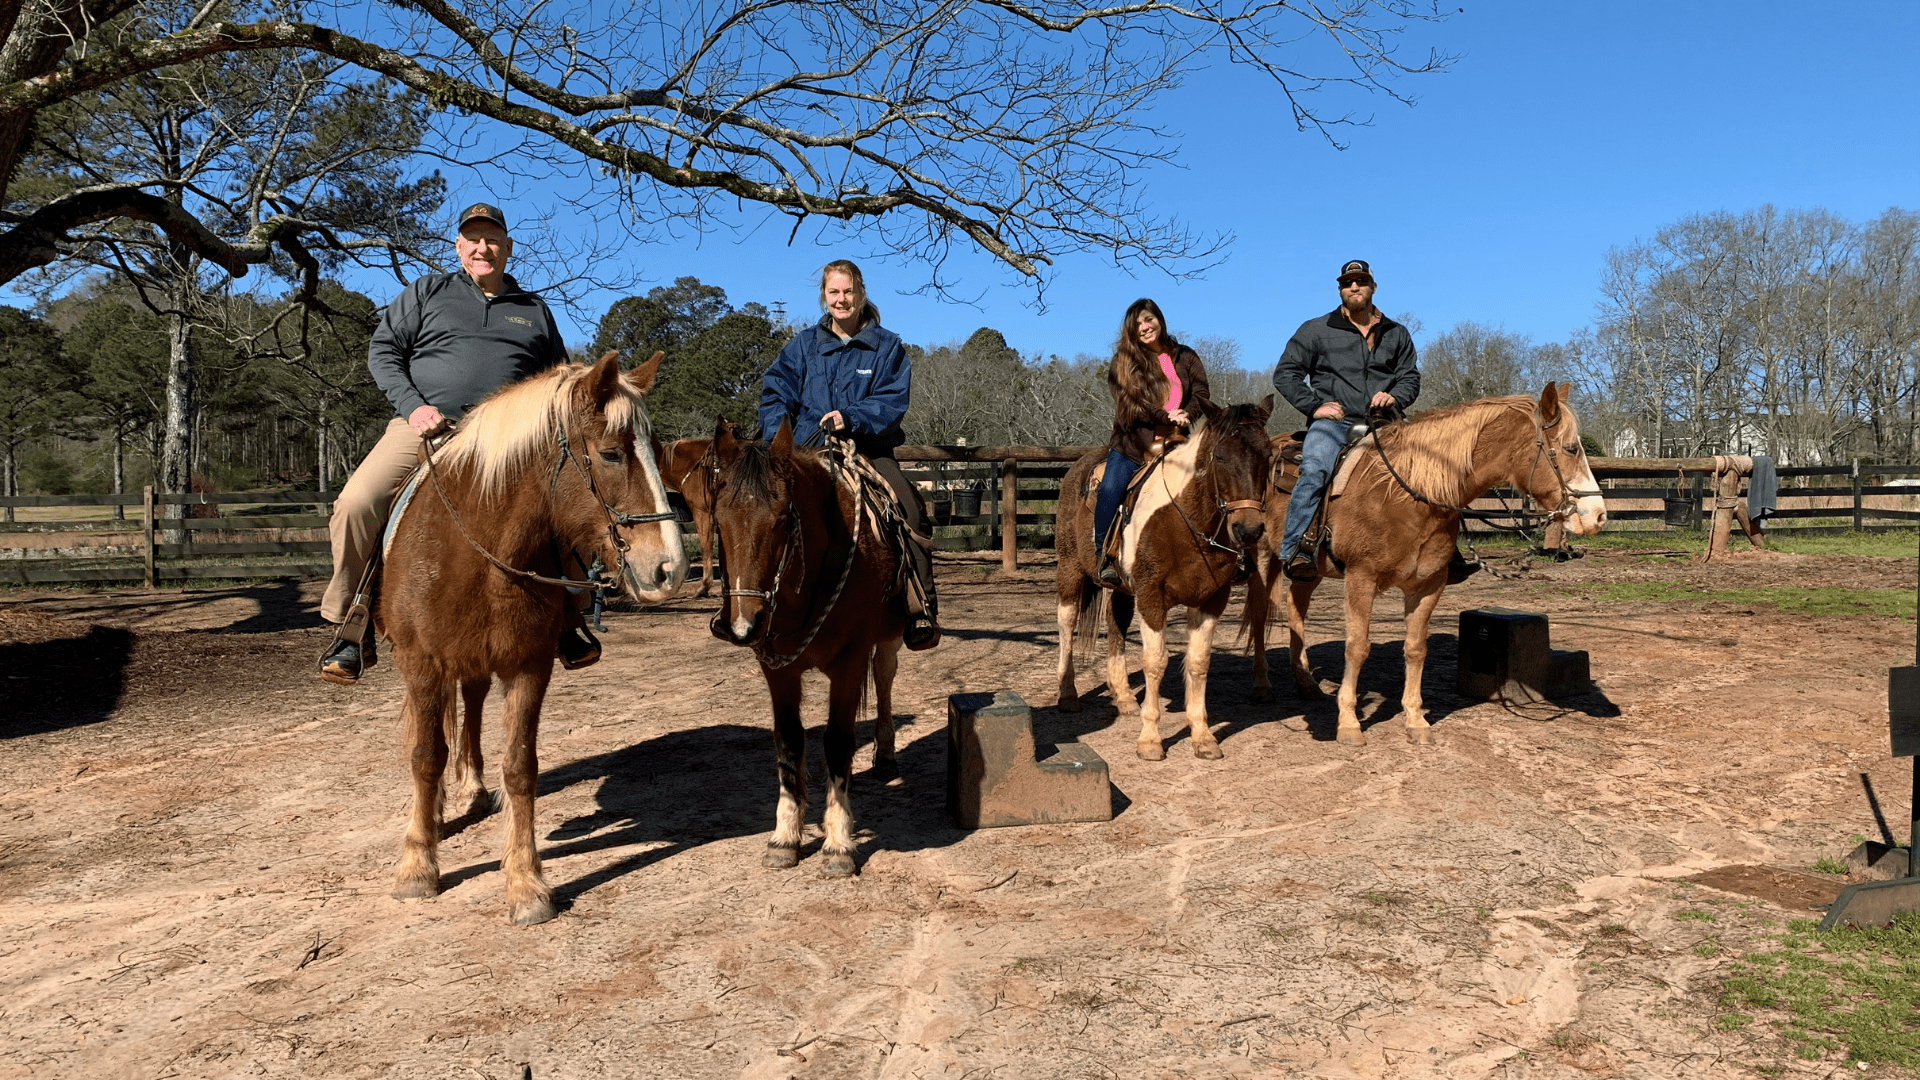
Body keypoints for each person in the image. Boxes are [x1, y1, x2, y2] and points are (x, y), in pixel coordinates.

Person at [319, 201, 583, 683]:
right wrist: (413, 407)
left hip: (507, 446)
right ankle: (350, 627)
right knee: (356, 504)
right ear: (459, 247)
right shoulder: (427, 292)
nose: (483, 248)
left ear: (508, 248)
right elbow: (383, 351)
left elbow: (557, 380)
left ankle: (567, 614)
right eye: (473, 239)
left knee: (568, 505)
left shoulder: (534, 310)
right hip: (425, 428)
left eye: (493, 239)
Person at [757, 259, 940, 650]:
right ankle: (755, 605)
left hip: (869, 449)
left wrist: (851, 417)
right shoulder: (802, 346)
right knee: (760, 509)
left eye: (848, 291)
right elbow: (775, 394)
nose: (841, 299)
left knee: (910, 511)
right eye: (833, 292)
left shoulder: (887, 347)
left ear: (861, 294)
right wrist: (781, 444)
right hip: (807, 451)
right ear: (824, 296)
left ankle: (919, 607)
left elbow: (892, 401)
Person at [1272, 258, 1473, 584]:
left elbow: (1409, 379)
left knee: (1436, 467)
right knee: (1316, 467)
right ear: (1340, 289)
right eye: (1348, 283)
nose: (1355, 287)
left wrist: (1395, 397)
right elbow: (1286, 374)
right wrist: (1315, 406)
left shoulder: (1396, 333)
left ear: (1372, 287)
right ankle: (1299, 547)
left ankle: (1449, 551)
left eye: (1361, 281)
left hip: (1386, 424)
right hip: (1334, 424)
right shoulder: (1316, 330)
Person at [1092, 298, 1212, 588]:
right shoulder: (1124, 361)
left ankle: (1224, 551)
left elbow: (1201, 392)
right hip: (1133, 444)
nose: (1145, 327)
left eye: (1148, 319)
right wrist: (1165, 415)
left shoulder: (1186, 356)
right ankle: (1105, 555)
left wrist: (1187, 414)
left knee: (1217, 479)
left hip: (1178, 441)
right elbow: (1129, 404)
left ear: (1159, 318)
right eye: (1137, 325)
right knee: (1110, 488)